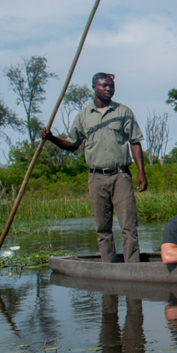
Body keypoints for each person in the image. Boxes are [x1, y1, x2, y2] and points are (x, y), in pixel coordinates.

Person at [40, 72, 147, 263]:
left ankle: (133, 267)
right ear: (94, 87)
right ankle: (108, 266)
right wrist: (51, 138)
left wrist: (141, 173)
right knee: (103, 228)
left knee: (129, 226)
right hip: (96, 178)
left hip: (121, 175)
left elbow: (135, 142)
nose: (108, 89)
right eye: (104, 86)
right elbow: (72, 145)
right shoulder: (83, 116)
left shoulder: (123, 112)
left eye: (111, 86)